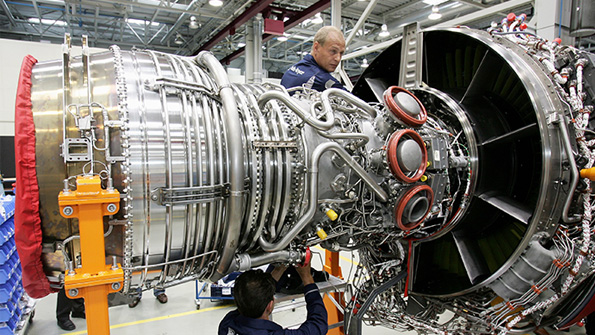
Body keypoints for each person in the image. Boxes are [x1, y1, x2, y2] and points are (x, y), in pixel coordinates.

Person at [218, 263, 327, 335]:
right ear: (270, 306)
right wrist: (306, 276)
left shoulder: (227, 324)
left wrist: (279, 269)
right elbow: (318, 324)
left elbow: (251, 297)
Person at [281, 26, 346, 92]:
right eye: (333, 51)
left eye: (341, 53)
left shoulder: (292, 69)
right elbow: (354, 100)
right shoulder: (321, 79)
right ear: (316, 47)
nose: (338, 59)